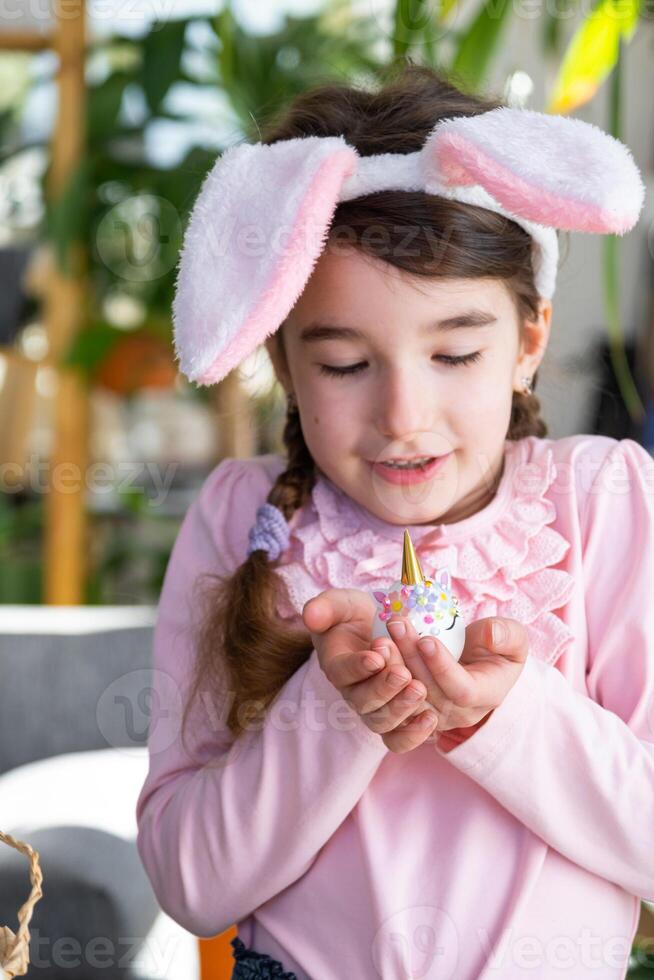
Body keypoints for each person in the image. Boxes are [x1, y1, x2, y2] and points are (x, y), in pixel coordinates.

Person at [135, 64, 654, 979]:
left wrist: (507, 715)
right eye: (343, 364)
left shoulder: (603, 500)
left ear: (528, 341)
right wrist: (335, 710)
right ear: (284, 364)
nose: (404, 416)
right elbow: (191, 882)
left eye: (455, 352)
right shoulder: (238, 515)